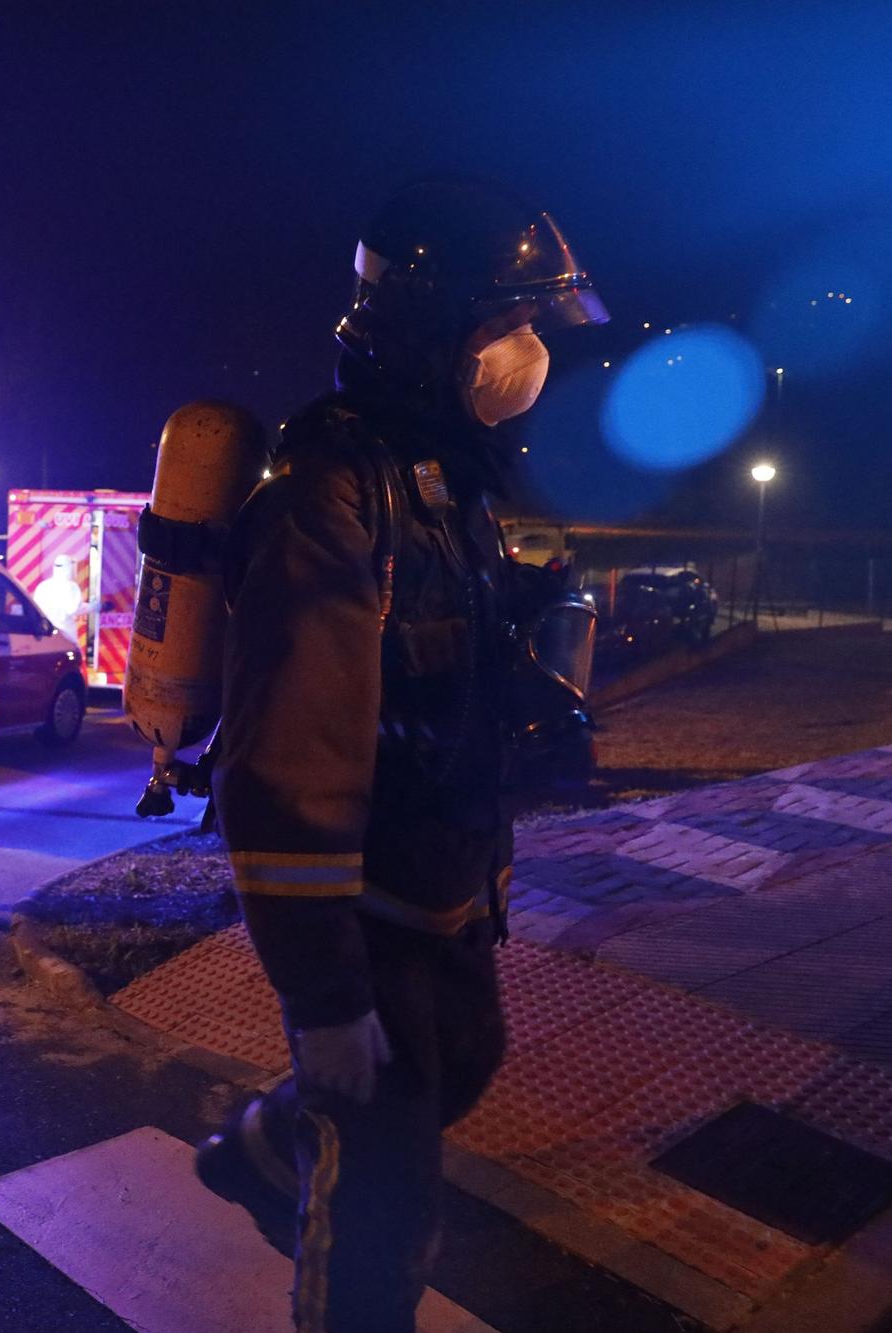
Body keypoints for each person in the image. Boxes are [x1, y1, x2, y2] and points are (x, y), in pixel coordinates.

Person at [195, 178, 609, 1331]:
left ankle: (270, 1145)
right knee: (384, 1198)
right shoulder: (329, 487)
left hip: (443, 887)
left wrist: (521, 617)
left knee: (462, 1063)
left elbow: (434, 662)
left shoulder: (440, 474)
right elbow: (286, 763)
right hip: (363, 911)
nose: (525, 354)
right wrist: (323, 996)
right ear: (436, 331)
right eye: (505, 325)